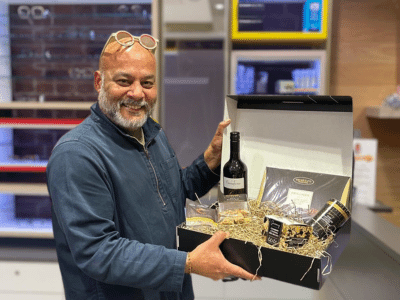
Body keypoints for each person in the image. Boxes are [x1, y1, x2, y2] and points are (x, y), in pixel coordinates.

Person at [47, 31, 258, 300]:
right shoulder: (77, 155)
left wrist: (211, 159)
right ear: (99, 81)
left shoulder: (151, 133)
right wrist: (188, 263)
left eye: (147, 82)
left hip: (170, 291)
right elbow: (98, 252)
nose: (137, 93)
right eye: (124, 81)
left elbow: (171, 195)